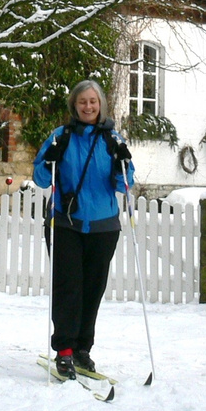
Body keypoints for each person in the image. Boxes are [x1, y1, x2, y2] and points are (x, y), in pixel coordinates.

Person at [33, 80, 132, 380]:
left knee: (92, 289)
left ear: (100, 105)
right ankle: (64, 350)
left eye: (93, 102)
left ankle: (81, 349)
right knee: (68, 287)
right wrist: (49, 159)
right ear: (74, 106)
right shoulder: (60, 137)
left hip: (103, 226)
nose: (88, 107)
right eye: (82, 102)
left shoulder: (111, 139)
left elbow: (125, 184)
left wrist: (122, 163)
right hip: (66, 223)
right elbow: (39, 176)